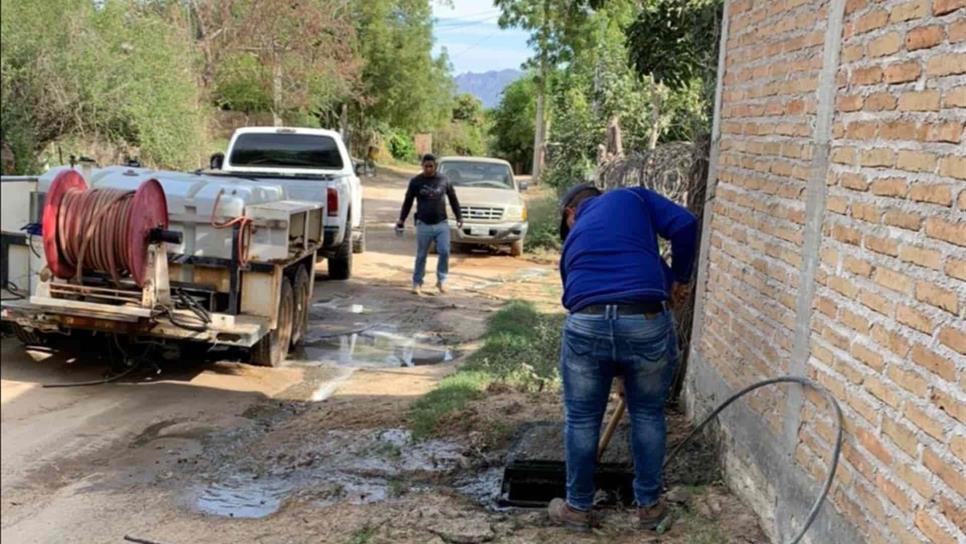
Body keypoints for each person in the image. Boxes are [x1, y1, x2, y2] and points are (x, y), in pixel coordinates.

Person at [548, 182, 697, 531]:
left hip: (586, 325)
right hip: (645, 321)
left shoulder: (574, 243)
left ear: (571, 214)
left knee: (583, 418)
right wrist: (680, 279)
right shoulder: (634, 200)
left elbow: (585, 302)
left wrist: (615, 366)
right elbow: (686, 225)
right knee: (647, 413)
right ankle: (650, 508)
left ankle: (577, 507)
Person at [396, 154, 463, 295]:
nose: (428, 169)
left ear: (435, 166)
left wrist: (459, 217)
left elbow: (453, 199)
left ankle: (441, 280)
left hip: (441, 223)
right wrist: (401, 219)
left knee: (444, 251)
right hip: (423, 224)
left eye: (431, 166)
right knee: (421, 255)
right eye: (425, 166)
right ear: (422, 166)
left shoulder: (444, 180)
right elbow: (407, 202)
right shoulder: (416, 182)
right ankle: (417, 283)